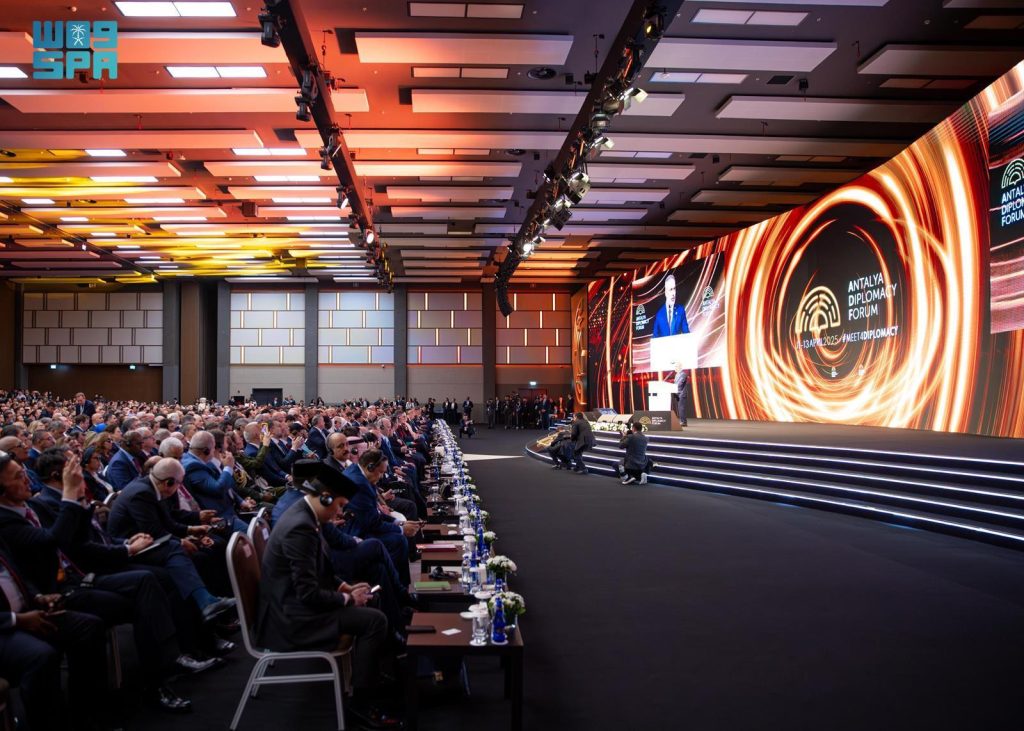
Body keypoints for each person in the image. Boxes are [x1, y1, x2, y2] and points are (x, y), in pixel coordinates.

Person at [256, 464, 401, 729]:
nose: (341, 513)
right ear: (325, 498)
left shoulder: (306, 515)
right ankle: (360, 705)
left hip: (294, 605)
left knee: (372, 597)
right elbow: (307, 593)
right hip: (292, 619)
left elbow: (318, 569)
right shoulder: (300, 528)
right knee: (375, 621)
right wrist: (348, 599)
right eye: (340, 505)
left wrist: (344, 587)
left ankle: (370, 674)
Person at [651, 273, 689, 338]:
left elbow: (687, 334)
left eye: (674, 289)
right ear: (666, 293)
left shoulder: (680, 310)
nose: (673, 293)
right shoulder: (659, 314)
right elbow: (655, 338)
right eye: (671, 289)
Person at [674, 364, 689, 428]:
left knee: (681, 408)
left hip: (682, 394)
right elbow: (675, 383)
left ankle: (684, 422)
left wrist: (674, 387)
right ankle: (682, 421)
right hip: (677, 393)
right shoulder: (676, 374)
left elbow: (680, 383)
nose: (675, 368)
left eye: (676, 366)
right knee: (679, 408)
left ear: (679, 367)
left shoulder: (683, 374)